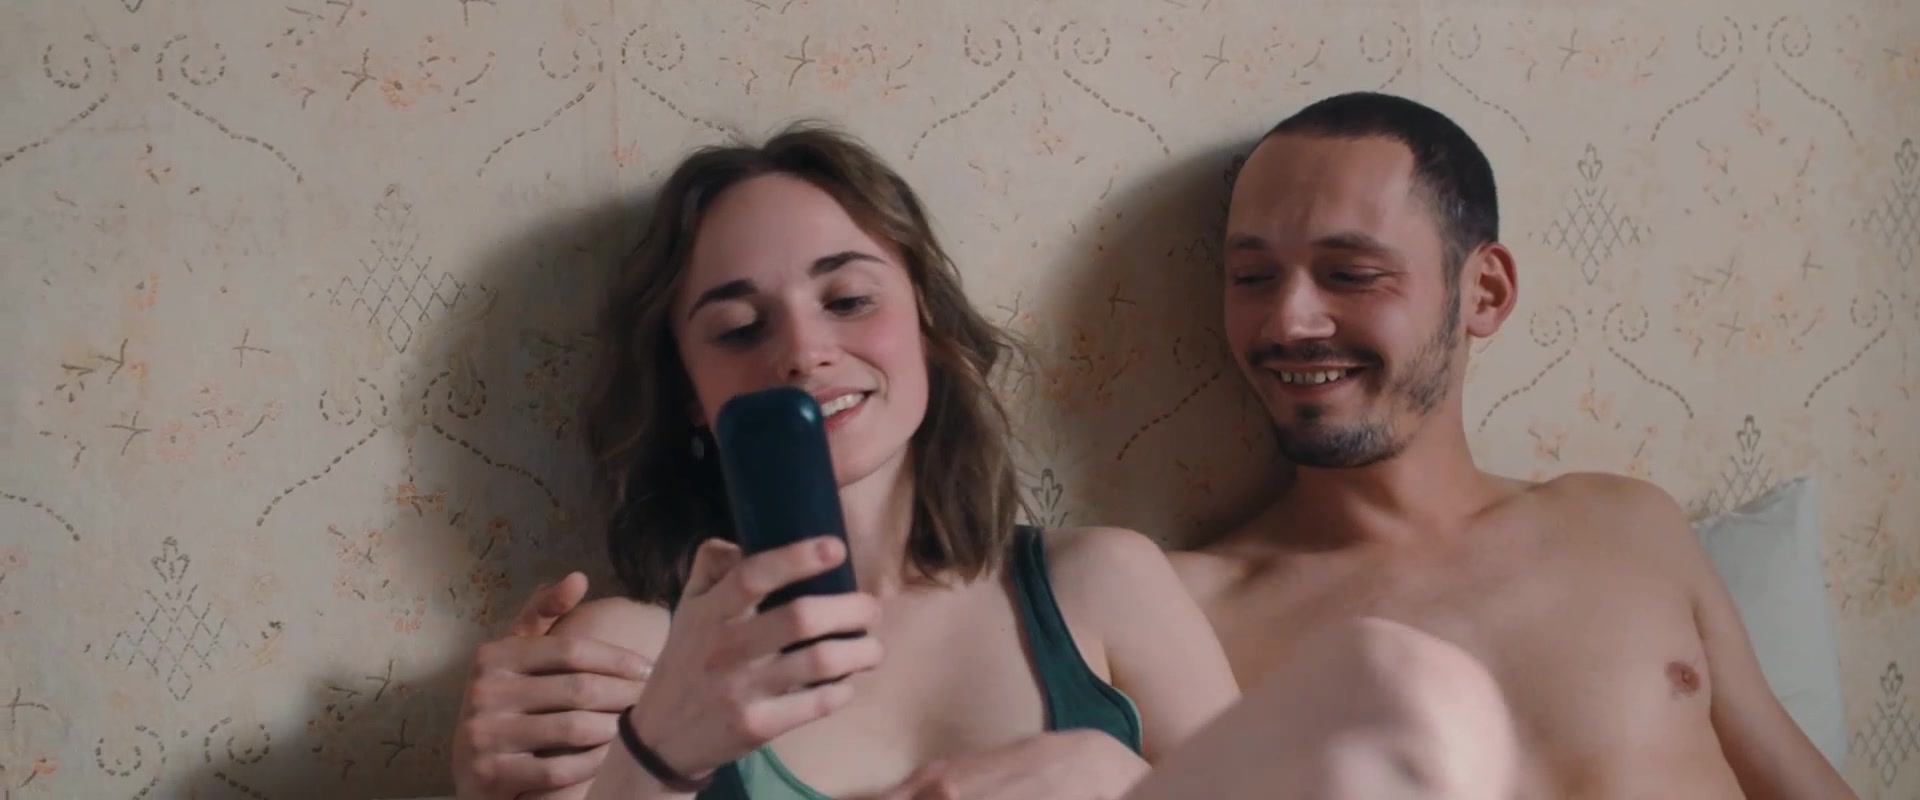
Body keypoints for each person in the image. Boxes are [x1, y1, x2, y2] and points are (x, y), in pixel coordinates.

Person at [449, 122, 1521, 800]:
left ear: (926, 327)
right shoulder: (629, 655)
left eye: (848, 297)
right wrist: (655, 757)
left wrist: (1113, 781)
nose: (804, 351)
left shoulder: (1101, 583)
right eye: (738, 327)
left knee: (1399, 683)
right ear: (691, 391)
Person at [1170, 90, 1857, 799]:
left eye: (1352, 275)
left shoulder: (1628, 526)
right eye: (1252, 278)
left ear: (1485, 293)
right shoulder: (1193, 621)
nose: (1288, 321)